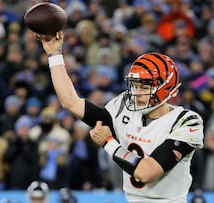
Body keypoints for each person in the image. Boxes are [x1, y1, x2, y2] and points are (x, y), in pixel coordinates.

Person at [37, 31, 204, 202]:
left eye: (144, 87)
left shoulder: (187, 121)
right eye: (134, 85)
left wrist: (107, 142)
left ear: (166, 88)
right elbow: (70, 102)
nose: (136, 93)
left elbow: (147, 173)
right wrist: (54, 54)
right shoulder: (124, 106)